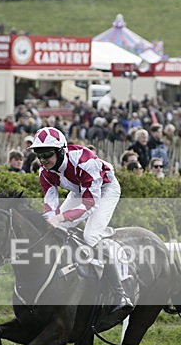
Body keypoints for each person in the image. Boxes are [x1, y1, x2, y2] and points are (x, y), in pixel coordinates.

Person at [31, 126, 133, 314]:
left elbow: (90, 204)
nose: (43, 160)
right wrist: (51, 220)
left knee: (91, 235)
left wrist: (60, 217)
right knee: (56, 229)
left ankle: (121, 294)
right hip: (80, 191)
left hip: (105, 190)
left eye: (47, 154)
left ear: (61, 151)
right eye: (39, 155)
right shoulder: (44, 172)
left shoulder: (86, 162)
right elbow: (49, 205)